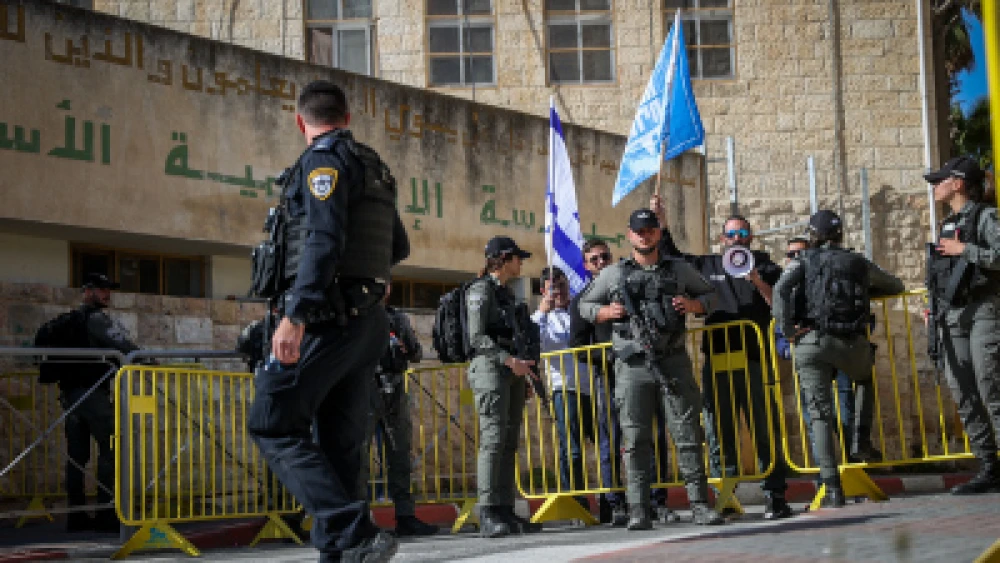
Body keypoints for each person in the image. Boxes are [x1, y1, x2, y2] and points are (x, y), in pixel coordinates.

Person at [247, 80, 410, 563]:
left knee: (273, 425)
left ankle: (353, 532)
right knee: (340, 447)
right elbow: (397, 247)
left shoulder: (322, 162)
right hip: (367, 325)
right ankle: (344, 554)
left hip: (325, 320)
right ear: (347, 116)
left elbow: (321, 239)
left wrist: (295, 315)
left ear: (301, 121)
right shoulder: (373, 166)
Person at [580, 209, 725, 530]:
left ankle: (700, 505)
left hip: (673, 360)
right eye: (639, 231)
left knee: (686, 435)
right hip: (632, 366)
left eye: (650, 229)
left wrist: (693, 306)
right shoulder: (614, 274)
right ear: (629, 234)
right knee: (635, 438)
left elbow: (712, 295)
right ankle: (639, 510)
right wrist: (605, 312)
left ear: (658, 232)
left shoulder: (678, 269)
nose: (645, 235)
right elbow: (584, 306)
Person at [653, 193, 792, 521]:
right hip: (718, 359)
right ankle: (725, 496)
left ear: (751, 238)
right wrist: (662, 224)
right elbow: (672, 258)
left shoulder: (766, 264)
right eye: (731, 234)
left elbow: (778, 306)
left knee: (763, 428)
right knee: (719, 431)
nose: (737, 239)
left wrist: (756, 279)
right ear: (721, 239)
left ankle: (775, 496)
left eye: (742, 234)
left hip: (753, 358)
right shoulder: (707, 266)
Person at [772, 210, 903, 507]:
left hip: (811, 343)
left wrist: (789, 329)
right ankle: (860, 441)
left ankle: (832, 487)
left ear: (812, 236)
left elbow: (780, 289)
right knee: (864, 379)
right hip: (849, 342)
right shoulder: (857, 262)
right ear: (841, 234)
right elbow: (896, 285)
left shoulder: (802, 261)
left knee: (819, 413)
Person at [925, 156, 1000, 494]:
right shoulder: (946, 223)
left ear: (957, 184)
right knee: (963, 393)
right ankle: (989, 466)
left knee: (990, 386)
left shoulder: (985, 217)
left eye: (941, 180)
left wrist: (966, 249)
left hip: (983, 309)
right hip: (952, 316)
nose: (935, 186)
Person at [466, 235, 543, 538]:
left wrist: (520, 370)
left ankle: (505, 510)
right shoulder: (480, 290)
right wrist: (508, 360)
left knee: (509, 442)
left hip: (511, 371)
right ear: (503, 259)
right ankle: (487, 512)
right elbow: (476, 337)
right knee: (493, 441)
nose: (521, 262)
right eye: (517, 257)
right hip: (490, 369)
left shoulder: (506, 294)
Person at [56, 273, 138, 533]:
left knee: (77, 457)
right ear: (87, 291)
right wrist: (147, 360)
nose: (107, 294)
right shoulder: (96, 319)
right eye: (102, 289)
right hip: (92, 394)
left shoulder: (70, 321)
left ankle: (76, 516)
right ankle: (106, 514)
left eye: (108, 289)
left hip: (71, 395)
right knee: (111, 447)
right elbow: (124, 345)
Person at [360, 283, 438, 536]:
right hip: (365, 390)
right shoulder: (357, 315)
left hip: (394, 389)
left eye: (386, 286)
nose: (383, 290)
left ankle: (405, 515)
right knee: (359, 457)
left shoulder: (396, 318)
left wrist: (406, 348)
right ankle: (359, 519)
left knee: (399, 455)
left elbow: (416, 352)